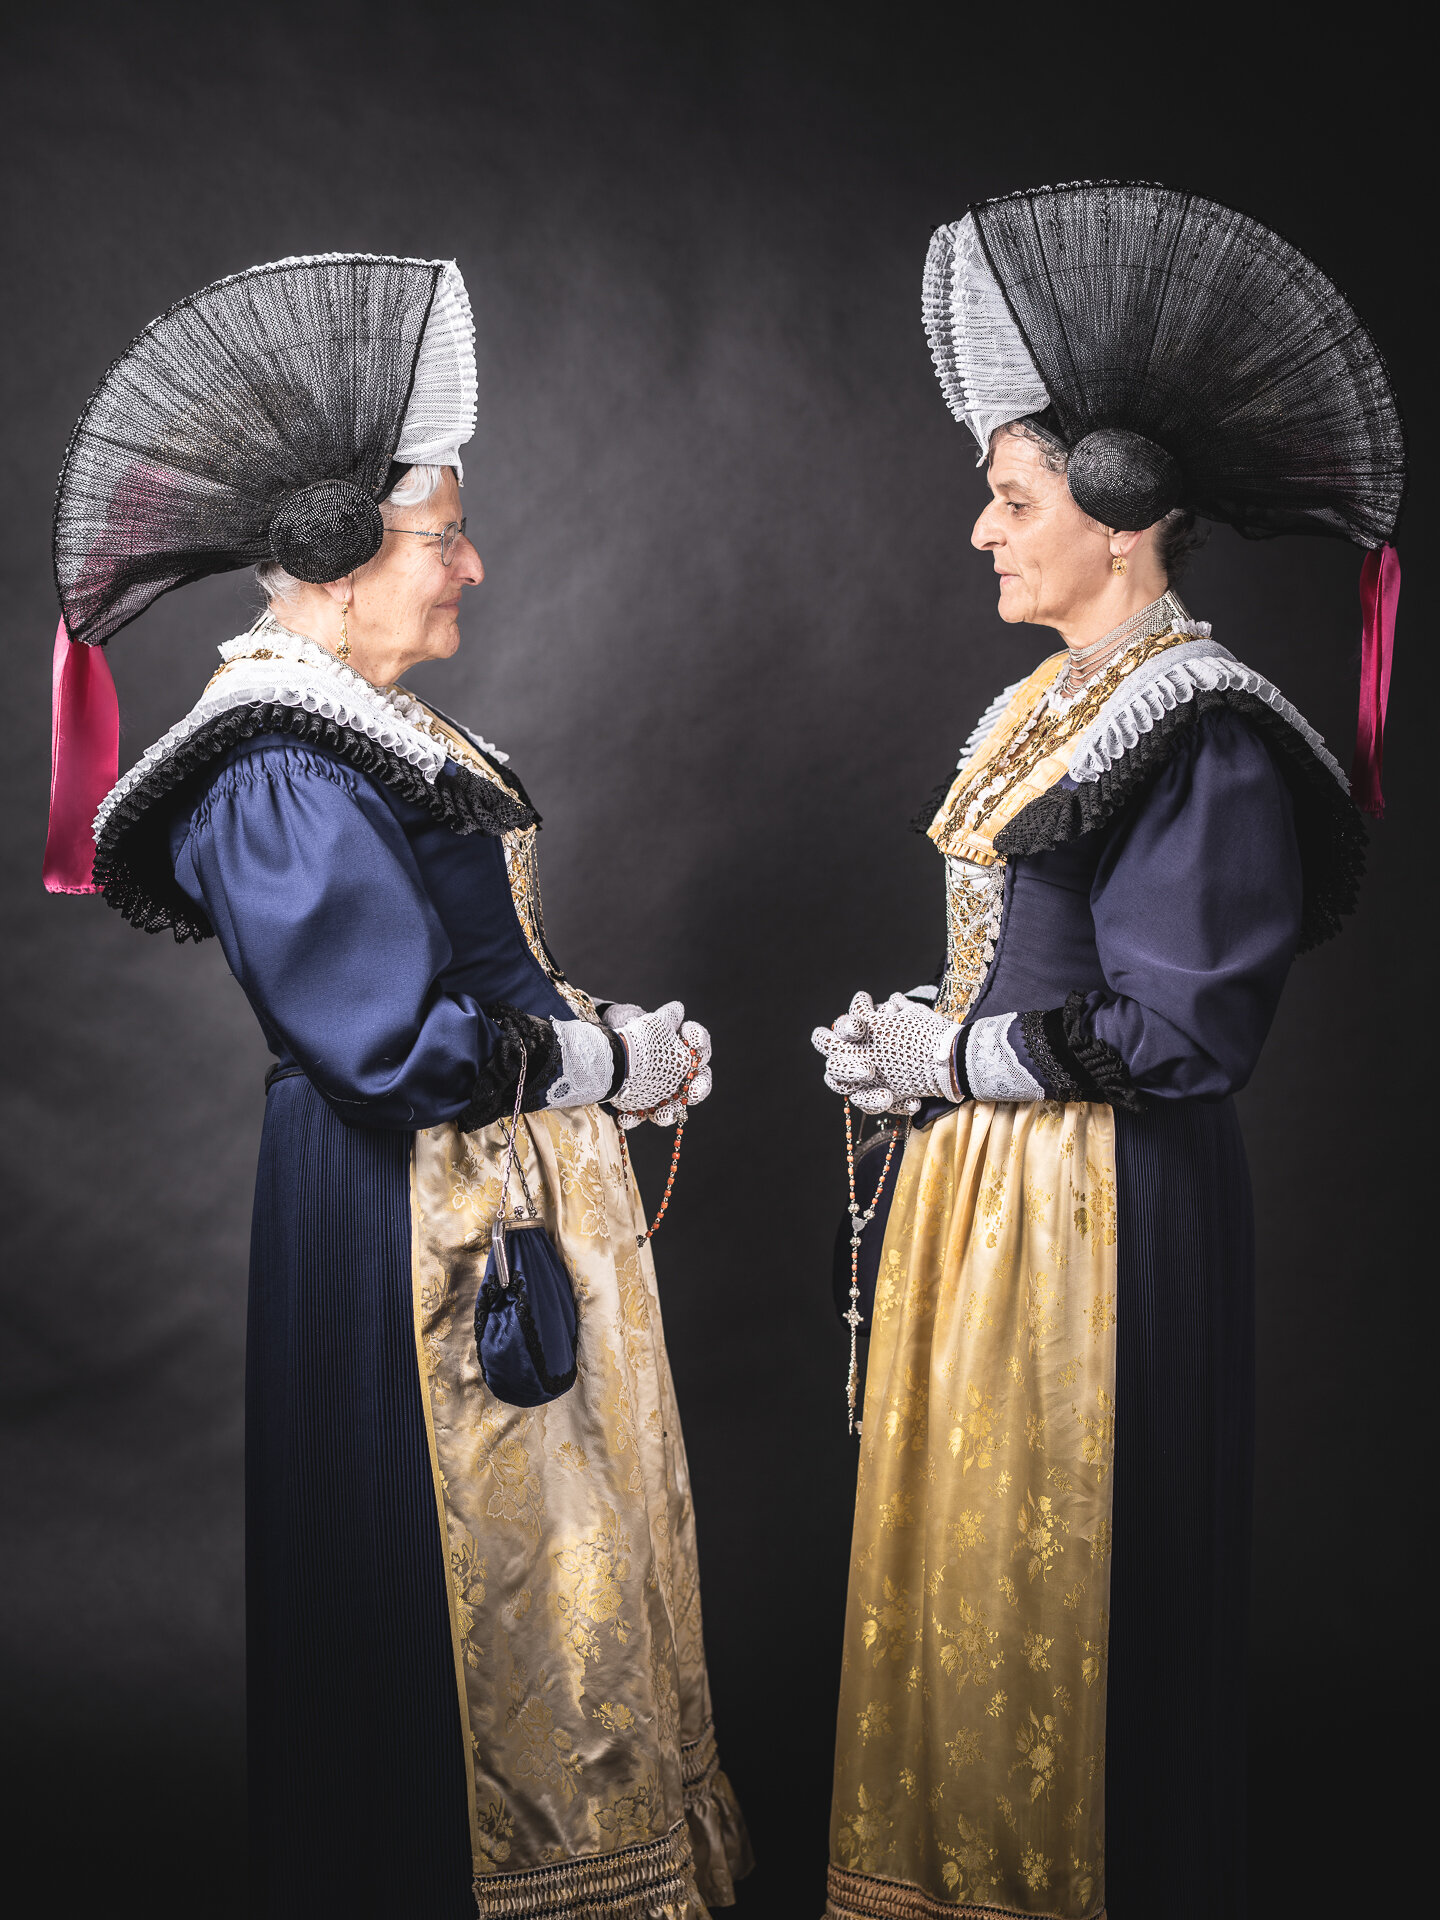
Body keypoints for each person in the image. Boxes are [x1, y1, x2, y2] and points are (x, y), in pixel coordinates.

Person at [46, 253, 750, 1920]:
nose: (473, 566)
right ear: (336, 556)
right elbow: (390, 1046)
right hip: (404, 1216)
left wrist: (613, 1041)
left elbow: (479, 979)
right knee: (425, 1560)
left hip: (482, 1186)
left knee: (538, 1576)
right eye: (446, 537)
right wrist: (607, 1062)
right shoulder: (275, 759)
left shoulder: (362, 730)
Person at [811, 183, 1403, 1920]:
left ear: (1125, 520)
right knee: (974, 1565)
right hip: (990, 1203)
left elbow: (1179, 1031)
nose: (981, 532)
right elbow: (1021, 964)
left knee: (1082, 1576)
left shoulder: (1197, 726)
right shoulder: (1043, 704)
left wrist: (950, 1062)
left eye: (1015, 501)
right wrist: (917, 1045)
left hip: (1099, 1215)